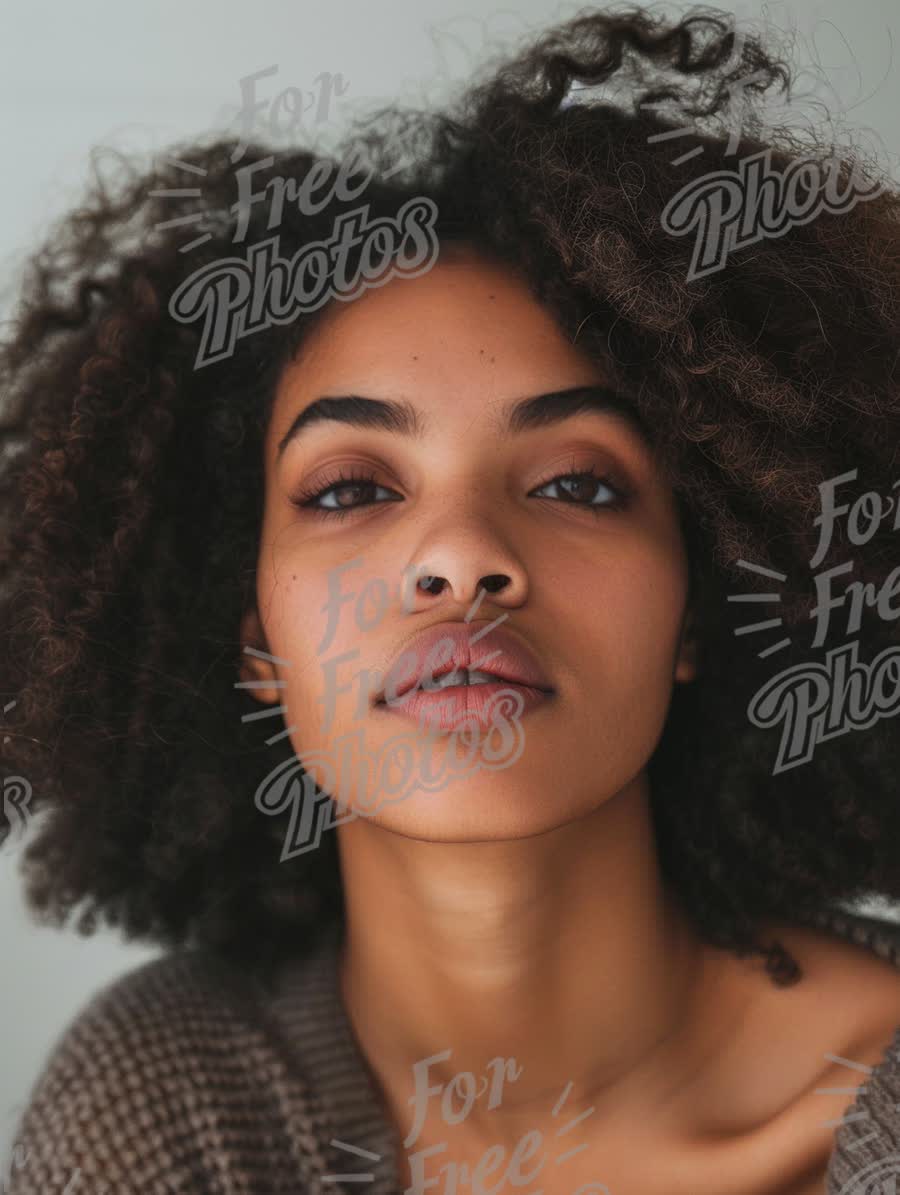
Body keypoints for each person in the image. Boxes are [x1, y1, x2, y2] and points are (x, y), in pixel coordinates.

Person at [2, 7, 900, 1193]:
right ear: (252, 633)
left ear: (697, 608)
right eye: (351, 488)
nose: (463, 557)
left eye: (579, 482)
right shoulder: (169, 1102)